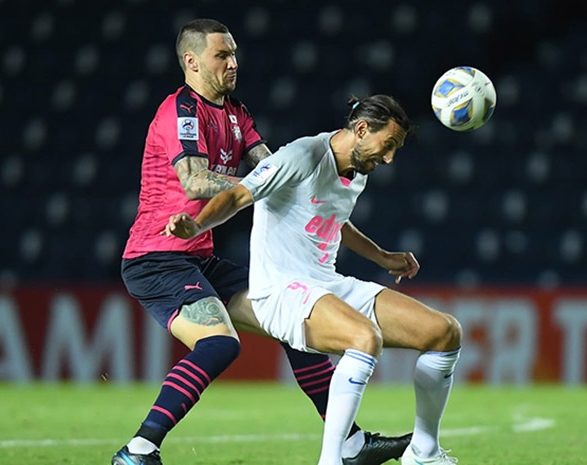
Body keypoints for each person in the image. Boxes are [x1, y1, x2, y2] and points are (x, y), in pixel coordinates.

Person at [112, 19, 409, 465]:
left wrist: (302, 180)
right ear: (191, 62)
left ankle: (348, 443)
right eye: (221, 55)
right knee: (220, 343)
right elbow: (194, 182)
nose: (233, 63)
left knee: (293, 320)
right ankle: (139, 448)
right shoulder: (181, 112)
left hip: (199, 258)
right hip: (157, 258)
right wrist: (266, 182)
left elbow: (286, 180)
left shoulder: (237, 115)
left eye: (234, 54)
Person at [167, 94, 463, 465]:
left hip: (326, 284)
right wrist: (196, 225)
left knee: (445, 332)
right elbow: (240, 195)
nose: (388, 159)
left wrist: (383, 257)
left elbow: (336, 220)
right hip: (280, 291)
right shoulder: (301, 156)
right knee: (363, 337)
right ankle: (331, 461)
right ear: (361, 129)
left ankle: (424, 452)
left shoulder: (357, 171)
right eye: (387, 146)